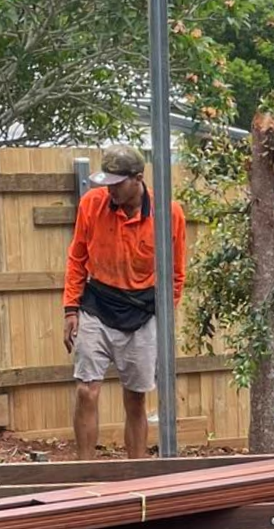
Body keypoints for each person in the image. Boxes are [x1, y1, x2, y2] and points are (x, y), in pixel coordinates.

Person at [63, 144, 186, 459]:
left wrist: (165, 319)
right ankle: (84, 472)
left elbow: (175, 274)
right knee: (86, 389)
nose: (110, 189)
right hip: (97, 305)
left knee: (136, 398)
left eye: (117, 183)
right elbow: (77, 258)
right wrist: (71, 308)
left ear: (138, 179)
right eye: (106, 183)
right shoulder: (93, 204)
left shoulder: (167, 214)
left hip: (143, 312)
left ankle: (136, 474)